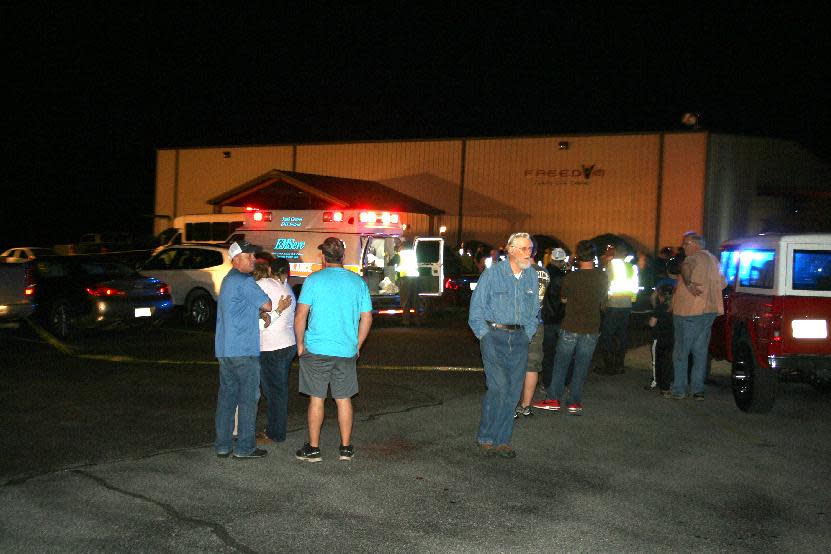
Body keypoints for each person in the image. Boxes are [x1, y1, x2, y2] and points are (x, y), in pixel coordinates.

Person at [294, 237, 373, 462]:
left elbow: (300, 315)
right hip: (346, 350)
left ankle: (314, 448)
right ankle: (346, 448)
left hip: (317, 348)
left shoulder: (313, 280)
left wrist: (300, 345)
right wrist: (357, 344)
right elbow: (366, 317)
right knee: (344, 398)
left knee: (317, 399)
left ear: (323, 256)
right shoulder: (358, 282)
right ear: (343, 257)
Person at [468, 232, 539, 459]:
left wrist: (527, 334)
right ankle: (486, 436)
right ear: (511, 250)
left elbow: (534, 311)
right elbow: (476, 311)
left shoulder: (531, 277)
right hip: (494, 337)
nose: (529, 253)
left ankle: (502, 440)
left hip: (519, 339)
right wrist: (485, 336)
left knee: (512, 391)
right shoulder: (492, 275)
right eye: (525, 249)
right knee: (498, 387)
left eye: (530, 249)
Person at [533, 240, 608, 415]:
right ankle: (574, 402)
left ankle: (553, 399)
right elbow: (604, 301)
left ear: (578, 256)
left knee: (561, 363)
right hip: (592, 327)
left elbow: (564, 299)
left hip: (571, 325)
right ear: (594, 256)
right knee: (581, 365)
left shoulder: (571, 277)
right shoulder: (602, 277)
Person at [214, 240, 272, 459]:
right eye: (249, 256)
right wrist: (262, 308)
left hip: (225, 349)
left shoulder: (228, 280)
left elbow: (237, 310)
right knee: (248, 398)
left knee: (227, 397)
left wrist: (255, 312)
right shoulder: (245, 281)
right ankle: (245, 447)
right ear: (236, 259)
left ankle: (222, 445)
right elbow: (267, 304)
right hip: (244, 349)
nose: (254, 260)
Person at [665, 232, 725, 400]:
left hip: (689, 312)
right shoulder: (713, 260)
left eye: (685, 243)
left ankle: (679, 389)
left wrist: (689, 283)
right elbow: (723, 283)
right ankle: (697, 390)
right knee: (700, 352)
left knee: (681, 353)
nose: (683, 247)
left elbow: (685, 268)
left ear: (694, 244)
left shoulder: (692, 258)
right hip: (709, 311)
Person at [253, 257, 296, 444]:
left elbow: (256, 317)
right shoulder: (288, 289)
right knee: (280, 391)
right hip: (288, 345)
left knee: (273, 393)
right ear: (287, 272)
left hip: (271, 347)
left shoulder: (263, 284)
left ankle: (275, 433)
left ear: (271, 270)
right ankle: (275, 429)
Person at [515, 254, 550, 418]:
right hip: (536, 322)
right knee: (532, 365)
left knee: (513, 364)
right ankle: (526, 405)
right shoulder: (544, 272)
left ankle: (511, 404)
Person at [599, 246, 639, 373]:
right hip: (626, 304)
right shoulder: (631, 267)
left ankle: (609, 365)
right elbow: (635, 285)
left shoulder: (612, 265)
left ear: (615, 252)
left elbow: (606, 284)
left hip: (613, 304)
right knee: (622, 335)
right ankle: (620, 363)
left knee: (607, 335)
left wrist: (603, 301)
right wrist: (631, 300)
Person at [540, 248, 569, 390]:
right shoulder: (562, 277)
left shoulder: (543, 273)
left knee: (548, 354)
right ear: (562, 261)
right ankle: (563, 382)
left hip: (545, 318)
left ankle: (547, 382)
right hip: (559, 318)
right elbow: (564, 298)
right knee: (562, 353)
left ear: (551, 259)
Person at [395, 240, 421, 326]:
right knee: (415, 300)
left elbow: (391, 263)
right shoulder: (413, 254)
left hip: (405, 279)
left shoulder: (401, 254)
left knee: (405, 301)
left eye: (399, 246)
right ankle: (417, 320)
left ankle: (406, 321)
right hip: (415, 278)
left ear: (403, 247)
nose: (398, 248)